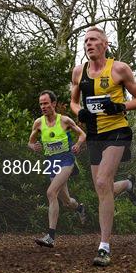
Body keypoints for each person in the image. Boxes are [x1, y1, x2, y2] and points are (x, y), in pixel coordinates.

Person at [70, 26, 136, 266]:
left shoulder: (119, 69)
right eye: (85, 41)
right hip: (94, 135)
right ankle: (127, 184)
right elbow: (72, 103)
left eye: (93, 40)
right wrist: (80, 111)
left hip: (117, 132)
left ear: (105, 44)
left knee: (103, 182)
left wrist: (121, 106)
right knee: (103, 190)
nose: (88, 44)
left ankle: (104, 247)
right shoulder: (78, 72)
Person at [28, 90, 87, 248]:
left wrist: (78, 144)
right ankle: (80, 208)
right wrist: (34, 146)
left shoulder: (65, 121)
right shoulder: (38, 123)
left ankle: (50, 237)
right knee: (66, 201)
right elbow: (30, 142)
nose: (43, 106)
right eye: (41, 104)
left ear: (53, 104)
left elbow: (82, 135)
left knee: (51, 192)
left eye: (46, 103)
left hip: (66, 161)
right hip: (51, 163)